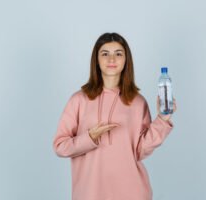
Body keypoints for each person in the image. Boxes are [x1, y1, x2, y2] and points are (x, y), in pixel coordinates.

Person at [53, 32, 177, 200]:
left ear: (126, 60)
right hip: (89, 193)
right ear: (96, 59)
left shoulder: (137, 102)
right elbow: (60, 146)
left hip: (132, 193)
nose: (112, 59)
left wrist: (162, 119)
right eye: (105, 54)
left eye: (118, 54)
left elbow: (141, 151)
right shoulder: (79, 100)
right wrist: (90, 137)